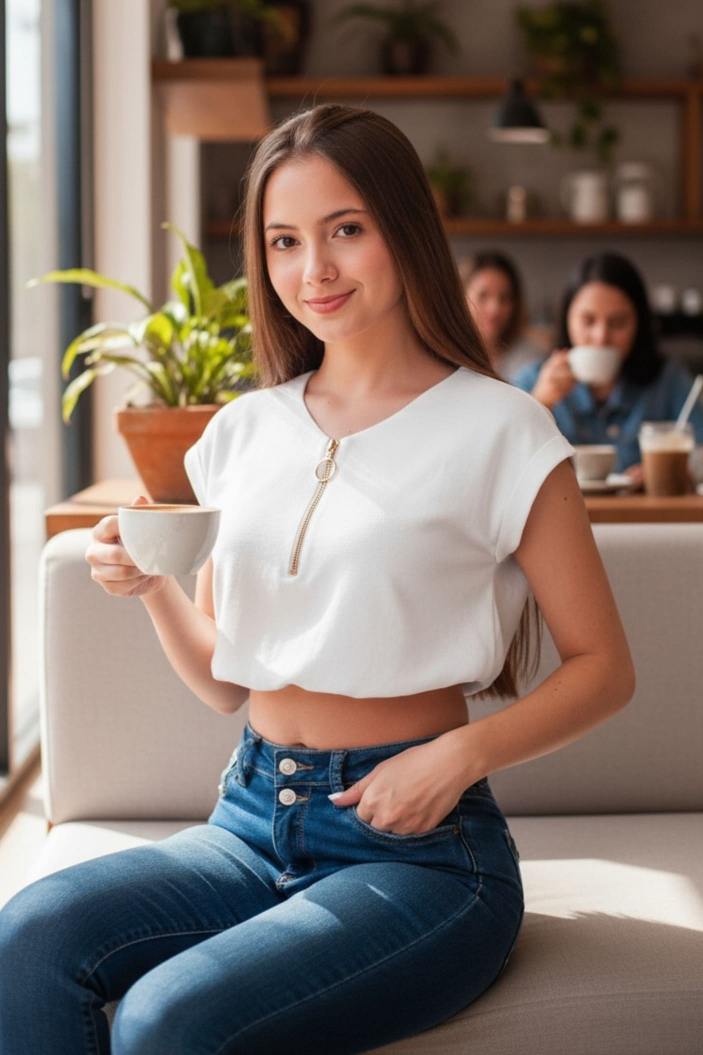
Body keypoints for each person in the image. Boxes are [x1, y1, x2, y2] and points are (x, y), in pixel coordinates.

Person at [0, 104, 636, 1055]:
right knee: (25, 939)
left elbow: (604, 668)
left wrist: (456, 757)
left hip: (422, 854)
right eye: (284, 241)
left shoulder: (501, 430)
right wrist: (154, 588)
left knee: (166, 1021)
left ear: (404, 228)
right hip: (248, 816)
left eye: (345, 230)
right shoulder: (242, 432)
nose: (314, 270)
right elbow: (226, 679)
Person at [512, 252, 703, 487]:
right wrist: (541, 403)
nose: (601, 337)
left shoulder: (667, 381)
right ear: (567, 319)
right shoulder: (532, 380)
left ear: (639, 325)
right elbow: (503, 463)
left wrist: (680, 469)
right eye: (588, 321)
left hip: (641, 520)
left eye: (618, 323)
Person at [458, 250, 545, 382]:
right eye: (483, 295)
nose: (494, 309)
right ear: (462, 298)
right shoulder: (444, 359)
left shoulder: (530, 359)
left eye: (504, 298)